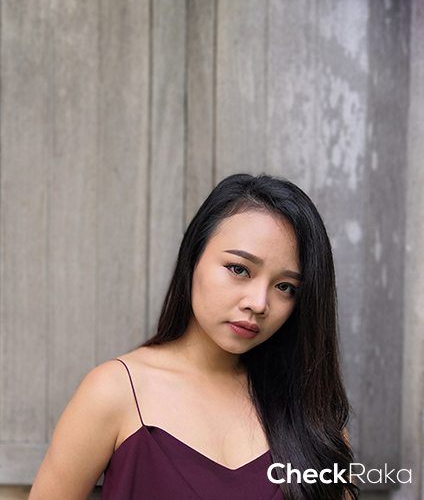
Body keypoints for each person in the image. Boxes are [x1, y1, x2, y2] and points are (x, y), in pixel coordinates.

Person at [28, 174, 359, 500]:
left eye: (285, 287)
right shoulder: (114, 391)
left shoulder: (310, 409)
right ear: (193, 257)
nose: (259, 303)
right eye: (239, 269)